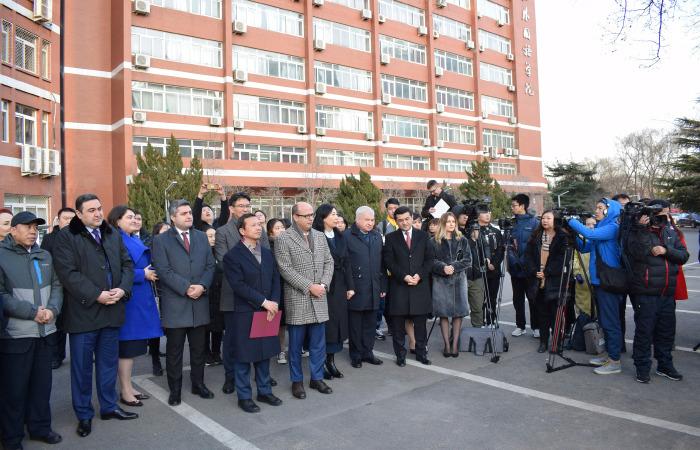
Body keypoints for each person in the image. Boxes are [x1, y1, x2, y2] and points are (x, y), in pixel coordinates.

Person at [53, 194, 138, 438]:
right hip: (84, 314)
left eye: (100, 209)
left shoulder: (111, 233)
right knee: (81, 369)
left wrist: (123, 289)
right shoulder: (66, 237)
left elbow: (127, 265)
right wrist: (96, 294)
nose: (98, 214)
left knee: (107, 365)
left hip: (112, 311)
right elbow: (68, 274)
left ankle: (109, 407)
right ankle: (84, 415)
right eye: (91, 210)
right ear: (79, 214)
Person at [0, 212, 63, 449]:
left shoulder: (44, 254)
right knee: (14, 390)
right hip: (16, 334)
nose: (33, 231)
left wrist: (53, 309)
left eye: (35, 227)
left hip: (46, 331)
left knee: (41, 385)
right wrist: (31, 312)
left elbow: (57, 285)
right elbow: (1, 296)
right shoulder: (2, 256)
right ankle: (12, 437)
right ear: (13, 229)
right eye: (27, 227)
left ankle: (40, 428)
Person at [151, 200, 216, 406]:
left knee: (198, 349)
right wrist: (187, 287)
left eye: (190, 212)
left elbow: (209, 265)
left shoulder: (200, 237)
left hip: (199, 303)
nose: (189, 216)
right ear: (173, 217)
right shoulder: (161, 241)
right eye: (184, 213)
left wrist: (202, 286)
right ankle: (175, 390)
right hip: (176, 303)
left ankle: (198, 384)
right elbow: (163, 270)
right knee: (175, 351)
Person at [274, 202, 334, 399]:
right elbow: (285, 268)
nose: (310, 218)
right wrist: (310, 286)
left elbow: (328, 261)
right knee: (296, 346)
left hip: (320, 297)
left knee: (318, 343)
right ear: (295, 217)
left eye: (312, 214)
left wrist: (324, 285)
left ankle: (316, 378)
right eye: (306, 215)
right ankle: (297, 381)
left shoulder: (319, 235)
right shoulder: (284, 238)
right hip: (298, 297)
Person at [223, 214, 282, 413]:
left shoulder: (266, 253)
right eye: (254, 225)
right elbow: (238, 286)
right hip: (245, 313)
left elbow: (275, 279)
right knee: (243, 357)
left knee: (264, 354)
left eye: (260, 224)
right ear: (242, 230)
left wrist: (273, 302)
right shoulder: (232, 256)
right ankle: (244, 396)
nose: (259, 228)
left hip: (268, 311)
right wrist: (263, 302)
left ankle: (264, 391)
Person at [626, 200, 689, 383]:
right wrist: (642, 229)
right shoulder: (637, 231)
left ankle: (665, 365)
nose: (665, 217)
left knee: (666, 333)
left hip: (667, 293)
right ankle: (642, 368)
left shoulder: (670, 232)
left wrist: (666, 250)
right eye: (661, 214)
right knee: (644, 332)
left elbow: (683, 256)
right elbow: (637, 253)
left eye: (667, 214)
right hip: (646, 293)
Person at [107, 206, 163, 407]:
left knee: (131, 349)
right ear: (117, 220)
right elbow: (117, 271)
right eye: (129, 217)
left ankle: (128, 386)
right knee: (126, 348)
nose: (134, 220)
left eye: (135, 217)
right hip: (129, 300)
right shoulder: (115, 239)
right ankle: (125, 390)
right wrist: (143, 274)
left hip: (139, 298)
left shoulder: (132, 238)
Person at [215, 192, 270, 394]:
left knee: (261, 340)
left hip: (261, 296)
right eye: (241, 205)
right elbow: (222, 263)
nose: (245, 209)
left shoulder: (258, 230)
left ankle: (263, 381)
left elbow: (265, 259)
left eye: (248, 205)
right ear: (231, 208)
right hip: (234, 296)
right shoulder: (223, 232)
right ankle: (231, 378)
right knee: (234, 343)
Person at [567, 198, 624, 375]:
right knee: (605, 321)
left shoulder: (613, 227)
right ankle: (610, 355)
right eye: (596, 207)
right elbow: (585, 247)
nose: (596, 211)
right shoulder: (601, 227)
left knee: (611, 322)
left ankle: (615, 362)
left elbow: (590, 235)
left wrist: (571, 220)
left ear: (610, 210)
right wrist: (574, 234)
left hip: (609, 282)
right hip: (599, 281)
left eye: (600, 208)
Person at [383, 206, 434, 366]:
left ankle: (421, 353)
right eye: (400, 220)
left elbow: (429, 260)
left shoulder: (423, 236)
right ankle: (400, 355)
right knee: (398, 326)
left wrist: (419, 275)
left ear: (412, 218)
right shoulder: (390, 238)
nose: (404, 222)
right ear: (396, 221)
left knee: (420, 324)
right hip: (399, 287)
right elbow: (389, 261)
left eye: (407, 219)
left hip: (420, 286)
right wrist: (404, 276)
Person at [312, 205, 354, 379]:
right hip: (324, 285)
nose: (337, 217)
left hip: (340, 285)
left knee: (337, 324)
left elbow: (347, 263)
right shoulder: (316, 236)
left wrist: (351, 286)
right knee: (324, 325)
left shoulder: (340, 236)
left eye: (337, 214)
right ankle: (320, 362)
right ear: (323, 217)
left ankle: (331, 360)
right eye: (333, 214)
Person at [345, 206, 387, 368]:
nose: (370, 223)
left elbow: (382, 264)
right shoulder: (347, 236)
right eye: (367, 220)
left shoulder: (376, 236)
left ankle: (368, 352)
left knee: (370, 323)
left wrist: (383, 285)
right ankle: (355, 355)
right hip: (355, 287)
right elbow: (345, 265)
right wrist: (348, 287)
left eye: (372, 220)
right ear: (357, 220)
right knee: (355, 324)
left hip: (374, 286)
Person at [524, 211, 571, 353]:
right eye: (543, 218)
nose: (545, 221)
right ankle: (543, 342)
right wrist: (534, 271)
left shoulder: (562, 237)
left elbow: (562, 259)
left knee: (555, 314)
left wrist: (547, 272)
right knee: (542, 314)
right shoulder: (535, 236)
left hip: (555, 280)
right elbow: (528, 256)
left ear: (554, 220)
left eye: (548, 218)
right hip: (538, 281)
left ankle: (556, 342)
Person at [431, 212, 471, 357]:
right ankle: (447, 345)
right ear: (443, 223)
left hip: (459, 281)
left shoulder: (462, 240)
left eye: (453, 221)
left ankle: (454, 346)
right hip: (440, 282)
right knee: (443, 314)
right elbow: (430, 261)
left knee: (458, 314)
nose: (451, 224)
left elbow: (467, 260)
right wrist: (442, 267)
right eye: (448, 221)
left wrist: (453, 267)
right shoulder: (434, 241)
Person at [40, 207, 76, 369]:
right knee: (58, 323)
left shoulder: (80, 236)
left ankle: (83, 355)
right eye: (65, 218)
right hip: (57, 285)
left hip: (76, 286)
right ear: (58, 220)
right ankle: (57, 355)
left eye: (72, 218)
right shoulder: (49, 238)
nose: (69, 221)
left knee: (78, 322)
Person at [507, 194, 540, 338]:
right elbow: (508, 244)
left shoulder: (534, 223)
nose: (512, 207)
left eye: (514, 205)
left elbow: (536, 246)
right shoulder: (511, 223)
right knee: (517, 300)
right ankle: (520, 326)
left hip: (529, 269)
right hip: (515, 269)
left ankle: (536, 327)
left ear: (522, 206)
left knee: (533, 299)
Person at [147, 222, 170, 376]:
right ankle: (155, 360)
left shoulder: (175, 248)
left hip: (171, 292)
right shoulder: (151, 249)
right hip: (156, 292)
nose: (167, 234)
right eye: (164, 231)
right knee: (155, 329)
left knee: (170, 329)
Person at [477, 208, 505, 326]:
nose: (487, 215)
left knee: (492, 297)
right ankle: (480, 321)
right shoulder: (475, 230)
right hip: (479, 269)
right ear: (478, 215)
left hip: (494, 269)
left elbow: (500, 249)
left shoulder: (496, 231)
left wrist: (494, 263)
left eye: (489, 212)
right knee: (479, 298)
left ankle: (491, 320)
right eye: (484, 212)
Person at [267, 218, 288, 365]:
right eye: (277, 227)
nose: (281, 230)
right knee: (272, 322)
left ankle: (282, 350)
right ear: (270, 231)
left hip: (288, 287)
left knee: (283, 324)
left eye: (282, 227)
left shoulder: (289, 244)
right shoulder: (267, 246)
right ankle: (270, 351)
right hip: (273, 289)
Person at [203, 225, 224, 367]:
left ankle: (217, 353)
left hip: (220, 295)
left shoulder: (220, 252)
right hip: (205, 295)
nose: (213, 239)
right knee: (205, 328)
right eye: (209, 236)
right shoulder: (200, 253)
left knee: (218, 327)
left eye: (214, 235)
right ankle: (206, 354)